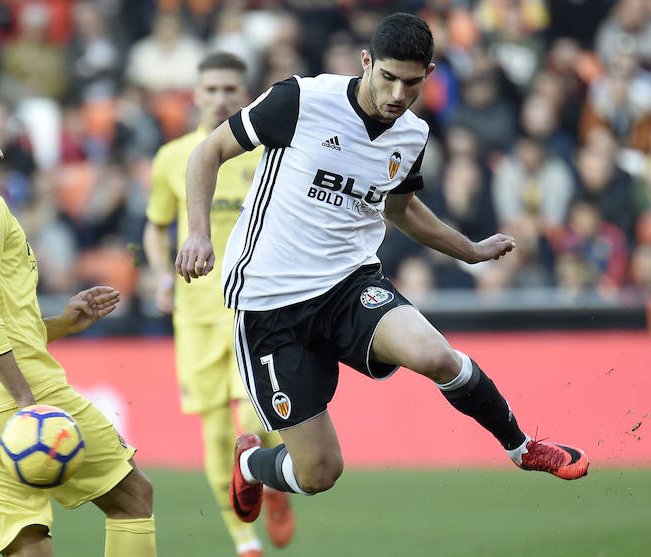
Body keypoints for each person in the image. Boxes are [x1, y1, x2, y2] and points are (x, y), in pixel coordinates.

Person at [174, 13, 590, 526]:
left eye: (412, 82)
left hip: (348, 284)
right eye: (388, 76)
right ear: (366, 62)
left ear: (430, 74)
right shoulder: (302, 100)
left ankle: (521, 447)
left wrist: (470, 251)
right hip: (269, 301)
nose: (397, 93)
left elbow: (401, 210)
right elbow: (208, 151)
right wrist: (196, 231)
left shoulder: (412, 134)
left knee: (434, 354)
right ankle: (252, 464)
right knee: (320, 472)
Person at [0, 87, 156, 557]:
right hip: (14, 397)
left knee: (29, 543)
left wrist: (62, 323)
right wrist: (27, 402)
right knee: (133, 499)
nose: (1, 149)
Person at [143, 52, 295, 557]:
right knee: (213, 429)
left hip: (259, 306)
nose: (219, 97)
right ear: (196, 94)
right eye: (210, 89)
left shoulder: (272, 151)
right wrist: (161, 274)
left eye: (230, 88)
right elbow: (155, 226)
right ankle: (244, 541)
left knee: (256, 418)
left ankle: (268, 482)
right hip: (196, 314)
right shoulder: (172, 157)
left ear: (245, 94)